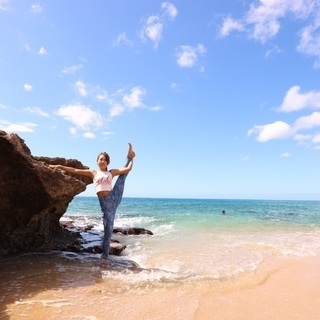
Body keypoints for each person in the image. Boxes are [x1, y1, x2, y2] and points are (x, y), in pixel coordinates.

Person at [49, 143, 135, 258]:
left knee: (122, 177)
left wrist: (132, 159)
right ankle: (105, 257)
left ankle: (129, 156)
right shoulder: (93, 172)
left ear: (107, 162)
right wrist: (60, 166)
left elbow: (128, 169)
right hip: (106, 205)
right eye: (100, 159)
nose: (102, 161)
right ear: (97, 161)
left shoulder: (111, 172)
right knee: (108, 233)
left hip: (114, 197)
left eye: (104, 160)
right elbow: (75, 170)